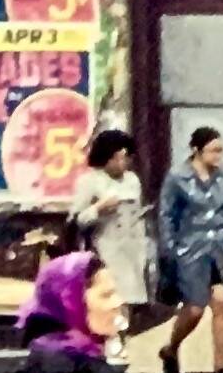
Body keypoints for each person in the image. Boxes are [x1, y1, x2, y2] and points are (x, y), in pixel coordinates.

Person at [157, 126, 223, 373]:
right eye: (213, 150)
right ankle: (171, 347)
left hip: (220, 249)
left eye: (221, 151)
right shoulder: (177, 177)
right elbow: (166, 216)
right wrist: (171, 249)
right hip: (190, 249)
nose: (218, 156)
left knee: (222, 303)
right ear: (197, 150)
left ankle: (219, 367)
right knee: (194, 308)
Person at [70, 130, 151, 328]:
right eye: (116, 159)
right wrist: (99, 208)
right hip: (106, 248)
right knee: (111, 301)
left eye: (125, 158)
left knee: (131, 303)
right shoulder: (90, 181)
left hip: (133, 248)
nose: (121, 164)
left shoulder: (132, 180)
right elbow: (76, 219)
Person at [16, 251, 122, 373]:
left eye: (115, 293)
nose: (118, 302)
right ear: (72, 301)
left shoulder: (43, 352)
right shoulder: (73, 363)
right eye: (106, 295)